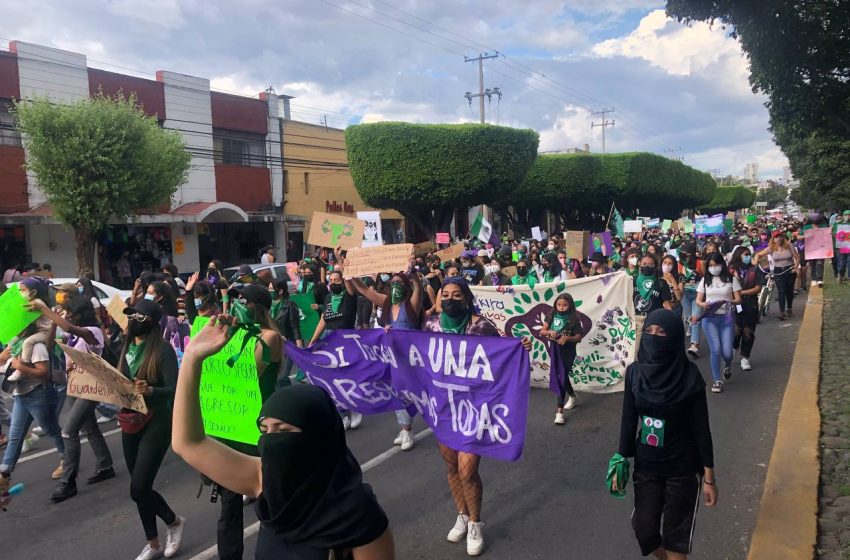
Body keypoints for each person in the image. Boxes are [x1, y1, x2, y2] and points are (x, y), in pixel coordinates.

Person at [172, 319, 395, 559]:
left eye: (282, 430)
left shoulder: (361, 518)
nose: (271, 442)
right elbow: (189, 443)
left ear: (317, 436)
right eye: (265, 431)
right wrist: (193, 358)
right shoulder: (264, 480)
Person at [422, 277, 532, 556]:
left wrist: (520, 349)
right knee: (450, 466)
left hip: (475, 408)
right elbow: (417, 355)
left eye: (456, 295)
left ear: (467, 298)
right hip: (444, 407)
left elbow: (500, 356)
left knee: (467, 470)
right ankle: (461, 513)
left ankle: (474, 522)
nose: (449, 299)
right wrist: (391, 337)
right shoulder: (431, 325)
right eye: (445, 294)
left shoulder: (481, 326)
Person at [615, 310, 717, 560]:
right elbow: (629, 420)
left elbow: (702, 429)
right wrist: (620, 461)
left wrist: (709, 478)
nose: (653, 337)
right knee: (644, 531)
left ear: (673, 338)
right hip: (647, 466)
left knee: (675, 542)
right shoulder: (635, 372)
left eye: (661, 332)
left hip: (682, 469)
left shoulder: (689, 376)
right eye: (649, 331)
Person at [214, 284, 283, 560]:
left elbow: (247, 375)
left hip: (259, 428)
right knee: (228, 504)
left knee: (267, 497)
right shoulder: (235, 334)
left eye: (244, 300)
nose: (239, 304)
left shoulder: (269, 337)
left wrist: (234, 335)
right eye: (236, 300)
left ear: (258, 306)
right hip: (233, 425)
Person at [27, 295, 116, 502]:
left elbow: (68, 329)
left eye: (70, 312)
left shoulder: (93, 332)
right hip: (75, 385)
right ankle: (105, 465)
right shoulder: (74, 336)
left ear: (80, 313)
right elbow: (50, 347)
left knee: (68, 432)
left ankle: (68, 481)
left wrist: (44, 310)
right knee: (89, 427)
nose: (67, 315)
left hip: (92, 386)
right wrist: (51, 324)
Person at [118, 300, 185, 560]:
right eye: (131, 315)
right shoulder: (124, 348)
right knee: (140, 489)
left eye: (140, 317)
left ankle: (173, 521)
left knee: (138, 487)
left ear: (152, 322)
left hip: (157, 421)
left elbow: (174, 389)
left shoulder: (163, 351)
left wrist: (150, 390)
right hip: (130, 419)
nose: (133, 320)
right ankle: (153, 543)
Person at [353, 269, 422, 451]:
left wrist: (413, 272)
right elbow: (365, 291)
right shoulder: (386, 303)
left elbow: (418, 287)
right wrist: (351, 273)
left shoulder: (411, 305)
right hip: (391, 355)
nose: (395, 286)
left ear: (406, 287)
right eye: (393, 283)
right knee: (396, 390)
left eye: (399, 283)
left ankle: (407, 428)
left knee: (407, 392)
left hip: (409, 357)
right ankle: (405, 428)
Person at [0, 304, 66, 487]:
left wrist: (20, 367)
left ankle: (67, 459)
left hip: (39, 394)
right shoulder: (15, 344)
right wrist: (6, 359)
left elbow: (43, 372)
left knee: (52, 429)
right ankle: (4, 473)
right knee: (15, 435)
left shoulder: (36, 345)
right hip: (21, 395)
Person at [308, 268, 363, 431]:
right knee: (333, 379)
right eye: (330, 280)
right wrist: (313, 340)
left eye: (336, 280)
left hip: (345, 339)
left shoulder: (349, 296)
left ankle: (356, 408)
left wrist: (342, 262)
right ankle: (343, 413)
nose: (332, 283)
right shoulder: (327, 298)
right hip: (328, 339)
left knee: (348, 376)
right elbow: (324, 319)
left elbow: (350, 284)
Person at [696, 253, 742, 394]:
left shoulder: (731, 279)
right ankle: (717, 379)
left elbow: (739, 299)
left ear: (722, 264)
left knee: (727, 352)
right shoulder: (705, 280)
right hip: (710, 318)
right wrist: (704, 305)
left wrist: (729, 302)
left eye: (716, 264)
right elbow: (698, 300)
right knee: (715, 349)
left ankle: (727, 365)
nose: (714, 268)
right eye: (710, 265)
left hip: (727, 318)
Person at [539, 293, 584, 425]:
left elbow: (578, 337)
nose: (561, 307)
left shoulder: (575, 318)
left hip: (568, 351)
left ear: (570, 305)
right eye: (559, 304)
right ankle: (572, 395)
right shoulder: (551, 314)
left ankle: (559, 413)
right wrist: (550, 331)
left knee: (562, 377)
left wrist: (567, 338)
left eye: (565, 305)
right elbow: (542, 331)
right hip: (555, 350)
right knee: (562, 376)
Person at [753, 231, 799, 320]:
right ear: (773, 239)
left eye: (780, 237)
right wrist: (755, 261)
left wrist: (795, 267)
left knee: (789, 291)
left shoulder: (789, 246)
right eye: (776, 237)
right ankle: (782, 312)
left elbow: (797, 258)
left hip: (789, 270)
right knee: (781, 291)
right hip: (778, 271)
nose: (778, 239)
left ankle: (789, 307)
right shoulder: (771, 248)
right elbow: (759, 254)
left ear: (782, 237)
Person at [729, 247, 760, 371]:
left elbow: (758, 288)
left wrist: (742, 292)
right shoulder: (731, 270)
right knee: (736, 330)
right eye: (745, 254)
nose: (748, 256)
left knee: (748, 331)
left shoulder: (754, 269)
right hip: (736, 304)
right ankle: (733, 348)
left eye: (749, 254)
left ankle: (745, 357)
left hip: (750, 304)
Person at [633, 255, 673, 350]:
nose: (647, 266)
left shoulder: (661, 283)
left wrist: (671, 320)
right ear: (639, 265)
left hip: (653, 321)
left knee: (652, 349)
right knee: (635, 349)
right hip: (635, 320)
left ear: (655, 266)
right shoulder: (632, 280)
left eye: (651, 264)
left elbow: (667, 304)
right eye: (644, 264)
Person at [270, 278, 304, 388]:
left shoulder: (290, 305)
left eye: (271, 289)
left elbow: (295, 326)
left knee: (282, 376)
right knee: (274, 377)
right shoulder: (267, 305)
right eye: (268, 289)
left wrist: (299, 347)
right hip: (271, 344)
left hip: (287, 345)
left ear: (280, 291)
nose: (269, 291)